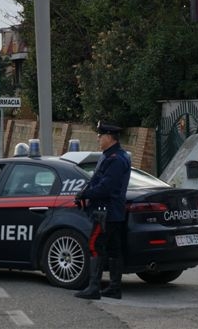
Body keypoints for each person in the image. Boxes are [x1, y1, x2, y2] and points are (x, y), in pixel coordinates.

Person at [74, 121, 131, 300]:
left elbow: (105, 187)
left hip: (104, 211)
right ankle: (114, 288)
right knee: (114, 249)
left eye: (100, 135)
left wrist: (84, 195)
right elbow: (98, 181)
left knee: (95, 246)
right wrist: (85, 192)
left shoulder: (115, 159)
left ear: (109, 137)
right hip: (111, 211)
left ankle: (94, 288)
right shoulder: (112, 155)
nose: (98, 138)